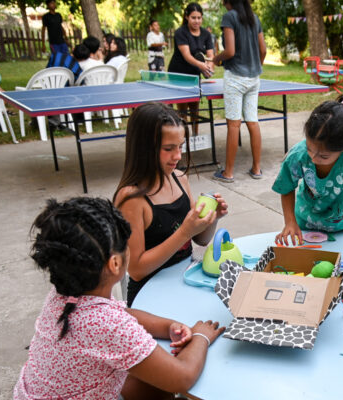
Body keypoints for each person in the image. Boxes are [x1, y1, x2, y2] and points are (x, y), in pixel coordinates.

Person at [13, 196, 224, 400]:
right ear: (114, 264)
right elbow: (182, 377)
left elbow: (123, 315)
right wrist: (201, 338)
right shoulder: (105, 325)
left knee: (157, 385)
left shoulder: (65, 297)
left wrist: (167, 326)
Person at [113, 102, 228, 307]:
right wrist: (184, 231)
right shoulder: (131, 199)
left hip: (184, 281)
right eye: (168, 149)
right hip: (150, 295)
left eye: (181, 147)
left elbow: (201, 240)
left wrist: (212, 219)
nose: (177, 156)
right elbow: (137, 270)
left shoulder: (179, 178)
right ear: (143, 148)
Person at [272, 95, 343, 263]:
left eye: (323, 156)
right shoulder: (298, 153)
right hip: (303, 224)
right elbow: (286, 187)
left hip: (341, 227)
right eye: (309, 149)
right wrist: (290, 222)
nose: (314, 158)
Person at [212, 0, 266, 182]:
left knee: (234, 125)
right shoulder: (254, 18)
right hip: (254, 78)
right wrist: (255, 66)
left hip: (235, 77)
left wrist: (215, 60)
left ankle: (228, 172)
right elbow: (263, 49)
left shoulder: (229, 17)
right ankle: (257, 169)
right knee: (253, 121)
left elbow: (230, 51)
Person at [167, 3, 215, 132]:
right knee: (182, 110)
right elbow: (187, 56)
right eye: (193, 17)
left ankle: (195, 136)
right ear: (187, 17)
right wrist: (202, 66)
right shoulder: (180, 33)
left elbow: (210, 54)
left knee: (195, 109)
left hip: (194, 73)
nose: (197, 21)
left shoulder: (206, 34)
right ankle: (183, 138)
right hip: (179, 74)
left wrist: (209, 67)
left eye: (199, 18)